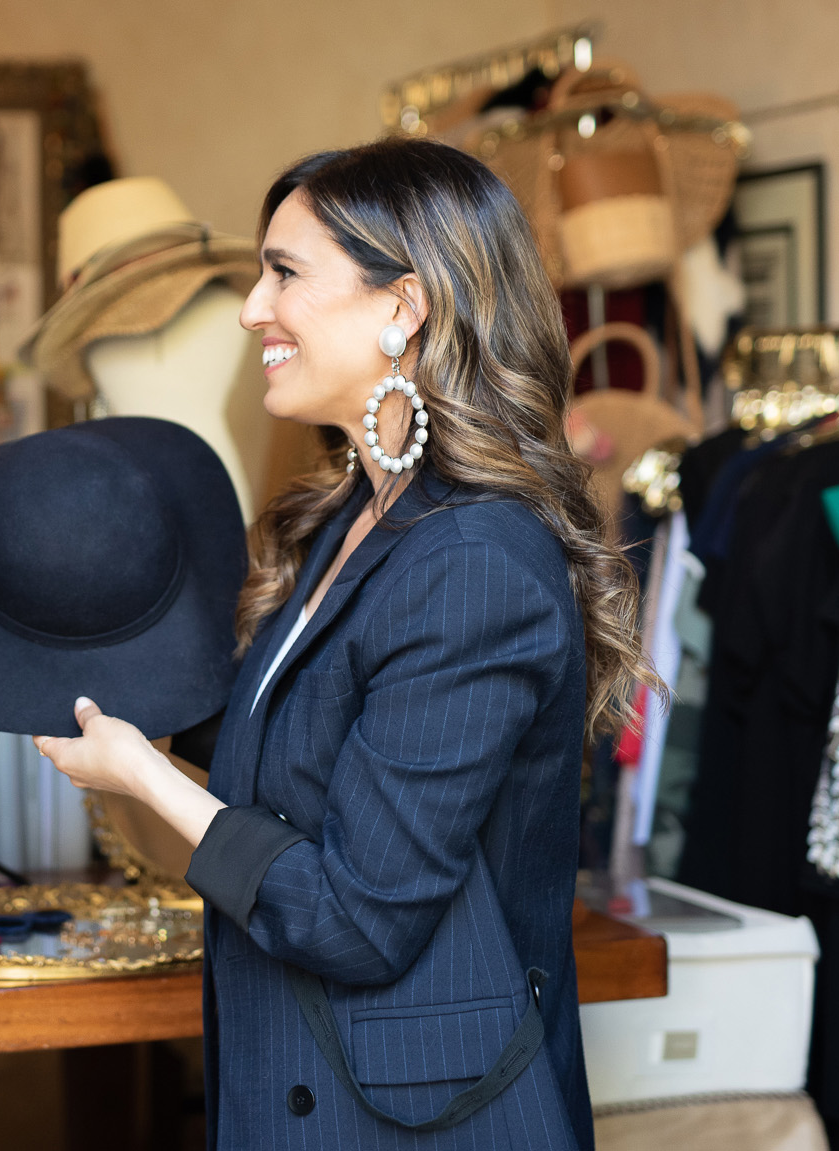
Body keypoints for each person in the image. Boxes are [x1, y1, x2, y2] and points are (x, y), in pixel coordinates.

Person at [35, 137, 653, 1150]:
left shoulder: (475, 562)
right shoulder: (350, 521)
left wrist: (145, 778)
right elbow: (293, 756)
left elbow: (359, 916)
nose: (249, 309)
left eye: (282, 272)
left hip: (421, 1122)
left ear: (402, 307)